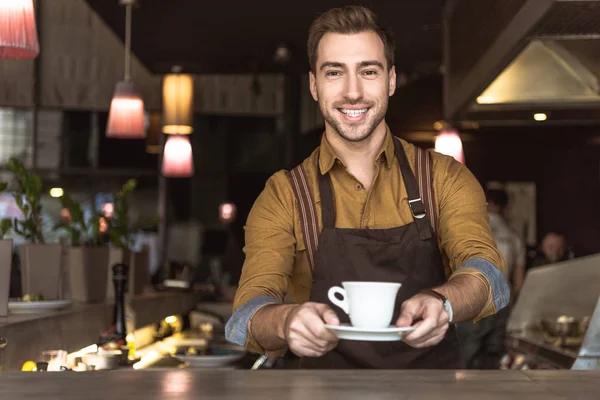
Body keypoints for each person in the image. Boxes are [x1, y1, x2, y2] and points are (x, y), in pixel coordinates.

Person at [225, 5, 509, 369]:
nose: (352, 92)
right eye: (334, 73)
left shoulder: (444, 178)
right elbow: (246, 313)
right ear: (314, 85)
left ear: (391, 80)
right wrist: (285, 321)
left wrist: (444, 301)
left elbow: (488, 274)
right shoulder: (284, 194)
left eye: (368, 71)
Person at [457, 187, 525, 369]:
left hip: (472, 299)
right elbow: (519, 282)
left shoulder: (467, 230)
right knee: (494, 357)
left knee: (465, 355)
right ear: (504, 207)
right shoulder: (514, 237)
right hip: (502, 301)